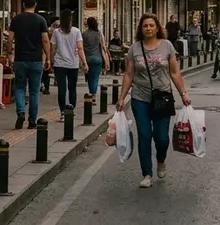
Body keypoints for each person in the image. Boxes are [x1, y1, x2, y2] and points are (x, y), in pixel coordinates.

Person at [117, 14, 192, 188]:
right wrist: (121, 98)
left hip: (163, 98)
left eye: (151, 25)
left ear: (157, 28)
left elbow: (174, 72)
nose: (148, 28)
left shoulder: (167, 46)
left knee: (162, 138)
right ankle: (147, 173)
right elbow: (129, 74)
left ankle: (161, 159)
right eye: (145, 26)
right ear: (141, 29)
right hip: (140, 97)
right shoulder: (134, 49)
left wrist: (183, 93)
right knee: (144, 135)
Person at [8, 0, 50, 130]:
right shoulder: (41, 20)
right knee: (34, 91)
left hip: (20, 59)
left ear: (23, 4)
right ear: (35, 5)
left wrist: (9, 54)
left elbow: (10, 39)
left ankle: (21, 112)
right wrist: (48, 57)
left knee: (19, 88)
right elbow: (45, 40)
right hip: (36, 60)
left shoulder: (16, 20)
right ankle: (32, 120)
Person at [51, 11, 88, 119]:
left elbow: (53, 48)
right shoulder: (76, 31)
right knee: (72, 88)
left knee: (61, 88)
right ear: (71, 19)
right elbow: (80, 48)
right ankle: (71, 109)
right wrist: (84, 63)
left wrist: (51, 60)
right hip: (73, 64)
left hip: (59, 64)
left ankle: (62, 111)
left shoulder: (56, 32)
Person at [82, 17, 109, 103]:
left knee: (90, 77)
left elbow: (81, 47)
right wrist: (107, 59)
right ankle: (93, 94)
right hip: (97, 58)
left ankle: (92, 92)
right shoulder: (99, 33)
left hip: (87, 59)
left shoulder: (84, 34)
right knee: (95, 77)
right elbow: (103, 47)